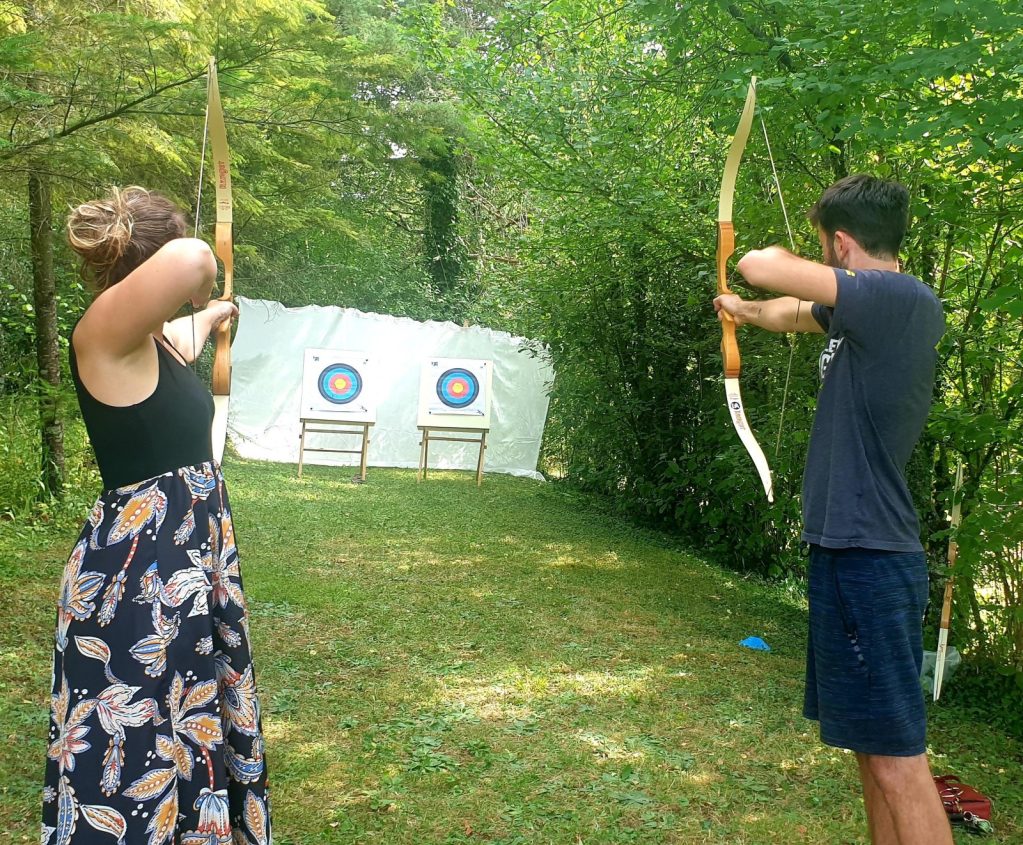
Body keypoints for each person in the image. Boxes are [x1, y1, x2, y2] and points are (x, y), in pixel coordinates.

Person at [714, 174, 951, 845]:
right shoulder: (867, 311)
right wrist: (740, 310)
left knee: (897, 760)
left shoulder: (897, 297)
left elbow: (761, 264)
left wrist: (748, 269)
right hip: (850, 551)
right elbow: (786, 311)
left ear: (840, 244)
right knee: (869, 750)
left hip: (872, 555)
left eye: (824, 242)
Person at [43, 186, 270, 844]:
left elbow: (187, 331)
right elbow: (196, 258)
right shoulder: (101, 336)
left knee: (188, 726)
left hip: (186, 569)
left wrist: (217, 310)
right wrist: (203, 280)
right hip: (137, 583)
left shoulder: (148, 345)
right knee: (139, 734)